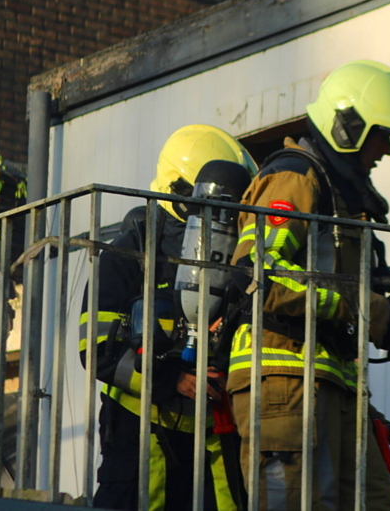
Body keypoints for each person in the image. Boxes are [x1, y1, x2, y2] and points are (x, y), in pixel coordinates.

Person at [226, 60, 390, 511]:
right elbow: (257, 274)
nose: (387, 150)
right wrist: (356, 306)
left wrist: (387, 321)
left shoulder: (345, 196)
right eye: (381, 134)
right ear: (348, 126)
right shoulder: (295, 179)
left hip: (334, 382)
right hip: (284, 383)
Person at [79, 124, 257, 511]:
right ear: (179, 192)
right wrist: (171, 379)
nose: (223, 220)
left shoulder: (233, 264)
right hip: (140, 437)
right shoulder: (128, 255)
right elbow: (94, 348)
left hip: (215, 440)